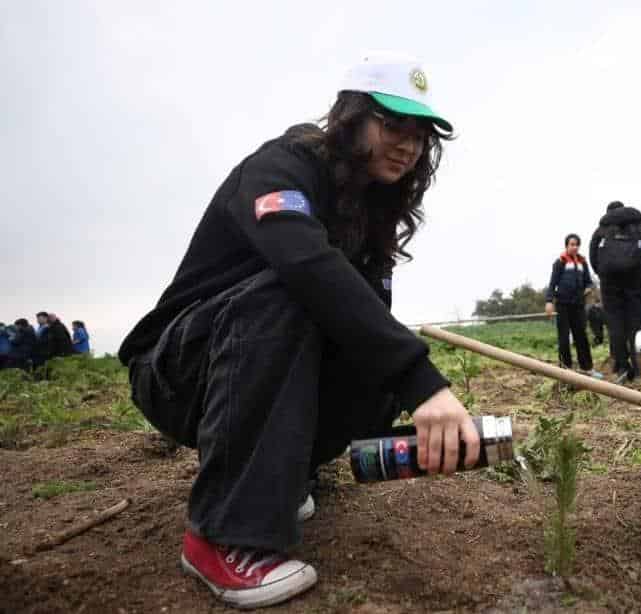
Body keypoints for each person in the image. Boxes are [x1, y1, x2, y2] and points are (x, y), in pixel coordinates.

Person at [118, 52, 480, 609]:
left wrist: (398, 411)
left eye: (421, 134)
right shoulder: (281, 168)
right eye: (393, 124)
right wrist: (421, 381)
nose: (409, 144)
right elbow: (304, 264)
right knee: (295, 291)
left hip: (246, 359)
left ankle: (288, 480)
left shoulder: (367, 210)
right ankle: (221, 536)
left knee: (366, 331)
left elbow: (358, 323)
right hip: (177, 371)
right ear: (351, 116)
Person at [589, 201, 641, 382]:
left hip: (610, 283)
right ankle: (640, 369)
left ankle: (621, 366)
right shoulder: (640, 226)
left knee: (615, 323)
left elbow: (593, 257)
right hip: (637, 280)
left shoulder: (601, 230)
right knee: (638, 322)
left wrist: (604, 273)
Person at [544, 234, 602, 377]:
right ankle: (565, 369)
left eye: (577, 244)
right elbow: (552, 283)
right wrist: (549, 301)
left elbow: (589, 281)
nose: (574, 247)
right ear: (566, 246)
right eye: (572, 244)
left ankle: (587, 368)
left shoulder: (583, 262)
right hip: (563, 304)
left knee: (581, 336)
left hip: (578, 305)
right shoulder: (560, 262)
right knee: (563, 337)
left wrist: (588, 287)